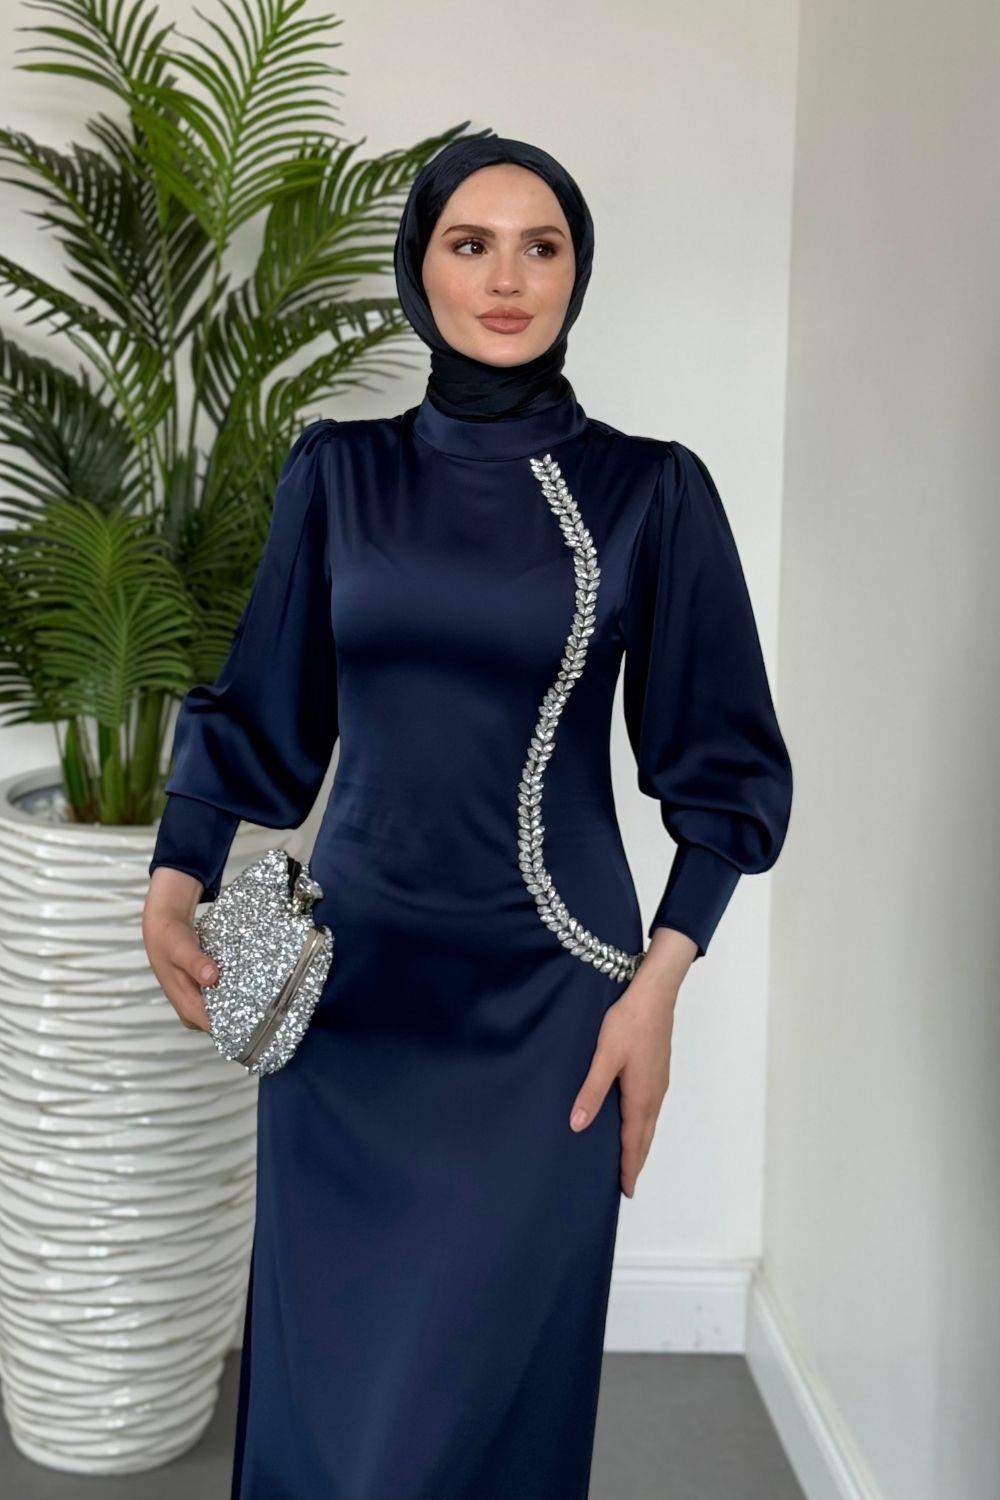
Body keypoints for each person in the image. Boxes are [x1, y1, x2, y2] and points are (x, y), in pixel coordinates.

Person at [143, 134, 793, 1500]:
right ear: (419, 267)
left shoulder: (647, 490)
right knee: (334, 1409)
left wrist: (660, 986)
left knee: (476, 1420)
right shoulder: (340, 472)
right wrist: (175, 876)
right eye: (470, 243)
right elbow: (267, 709)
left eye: (540, 246)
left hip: (547, 1005)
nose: (507, 278)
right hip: (348, 1000)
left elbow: (724, 763)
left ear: (577, 273)